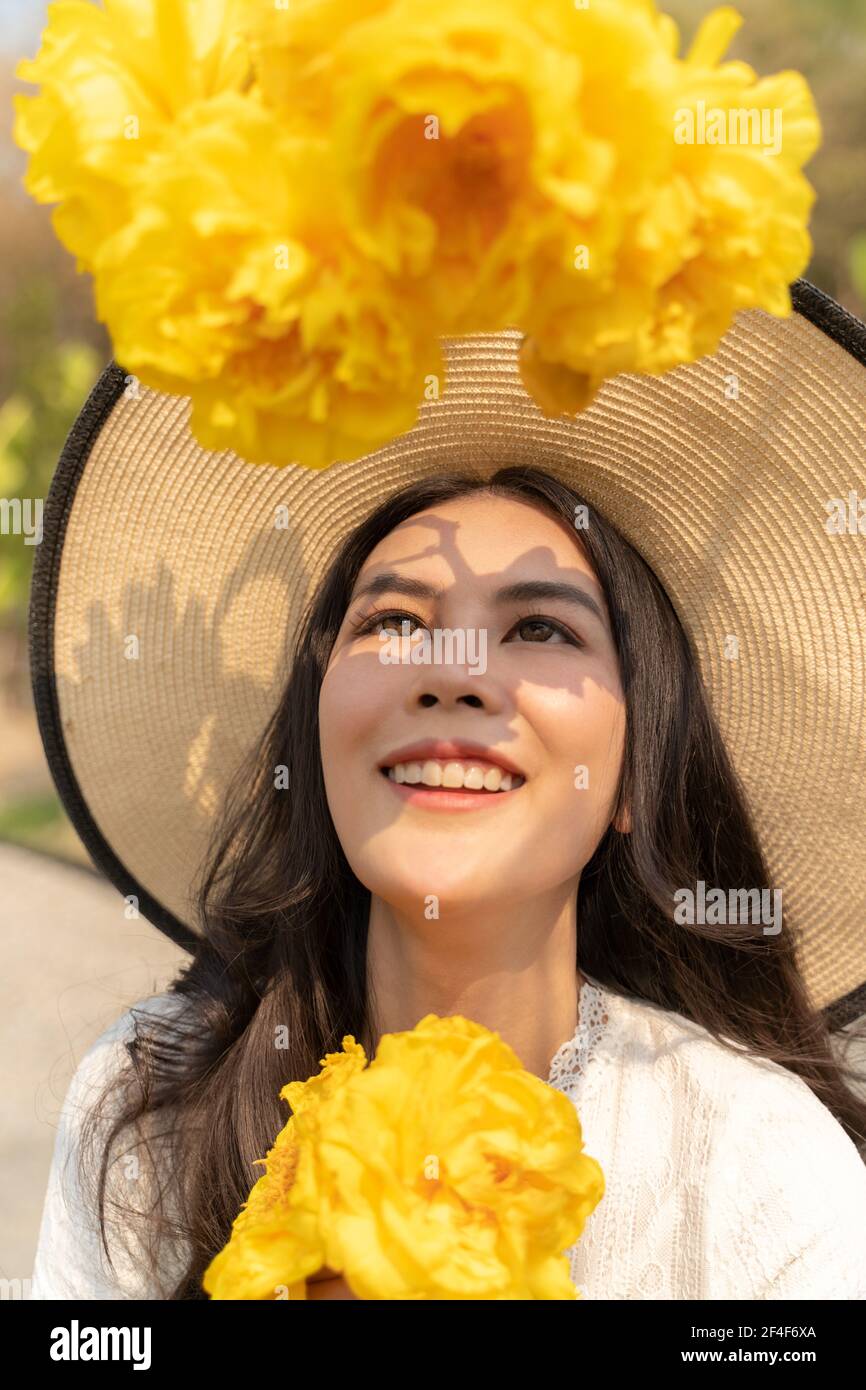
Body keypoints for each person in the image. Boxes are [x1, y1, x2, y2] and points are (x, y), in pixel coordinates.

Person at [28, 293, 866, 1300]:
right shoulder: (148, 1110)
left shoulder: (760, 1170)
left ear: (632, 781)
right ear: (319, 725)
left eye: (541, 630)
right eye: (392, 620)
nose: (454, 670)